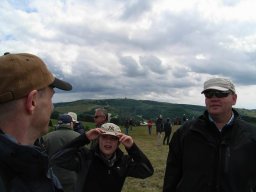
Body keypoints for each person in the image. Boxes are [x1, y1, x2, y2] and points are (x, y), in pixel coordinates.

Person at [163, 77, 256, 192]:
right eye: (209, 94)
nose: (214, 98)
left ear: (234, 99)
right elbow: (172, 176)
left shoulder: (251, 135)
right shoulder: (185, 133)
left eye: (221, 94)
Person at [0, 52, 72, 192]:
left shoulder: (26, 161)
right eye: (51, 98)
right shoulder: (15, 173)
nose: (52, 107)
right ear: (32, 101)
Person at [50, 122, 154, 192]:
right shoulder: (86, 157)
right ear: (98, 139)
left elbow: (147, 171)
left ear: (118, 143)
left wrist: (132, 147)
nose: (108, 141)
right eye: (104, 137)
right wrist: (84, 138)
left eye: (113, 138)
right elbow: (57, 159)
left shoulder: (123, 162)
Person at [43, 114, 80, 192]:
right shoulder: (79, 137)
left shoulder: (47, 137)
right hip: (72, 178)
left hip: (52, 177)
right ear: (70, 124)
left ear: (59, 124)